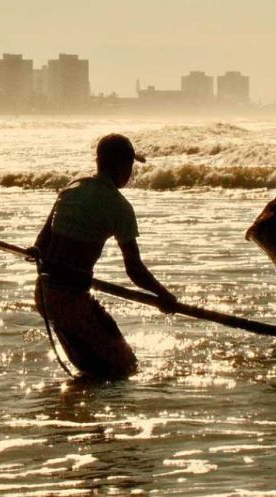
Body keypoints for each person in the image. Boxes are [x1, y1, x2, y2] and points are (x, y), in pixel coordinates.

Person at [32, 133, 177, 380]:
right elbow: (135, 270)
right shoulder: (119, 207)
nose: (130, 173)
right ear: (121, 166)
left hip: (45, 294)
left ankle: (76, 405)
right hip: (71, 303)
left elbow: (40, 246)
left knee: (94, 369)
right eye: (130, 166)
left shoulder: (71, 188)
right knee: (124, 367)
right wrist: (165, 296)